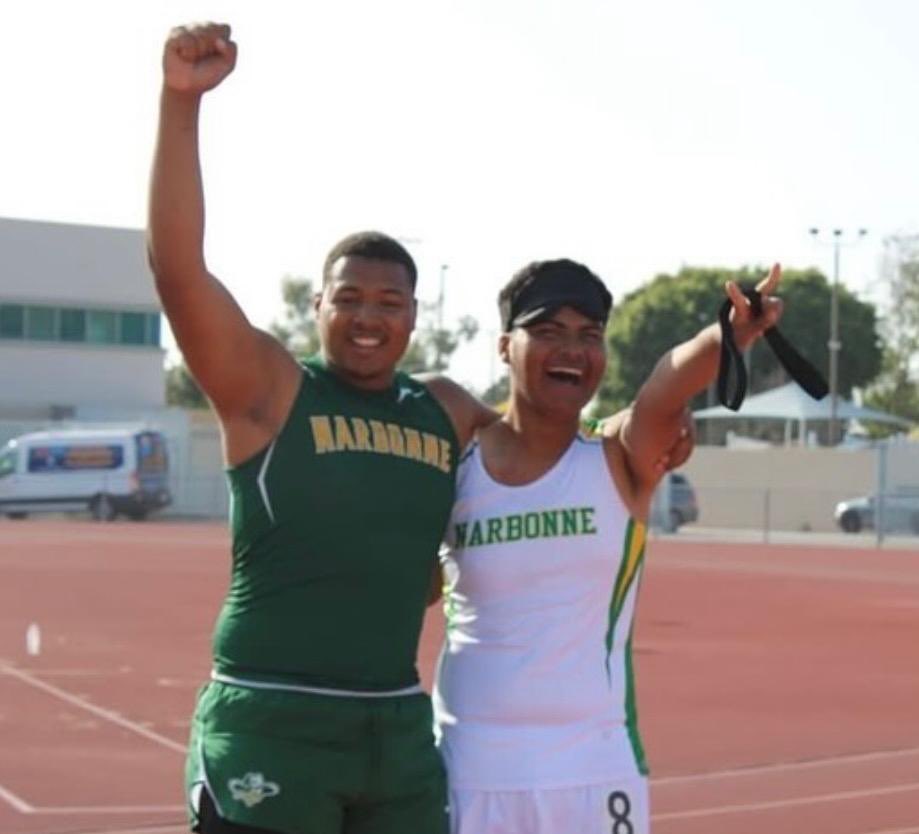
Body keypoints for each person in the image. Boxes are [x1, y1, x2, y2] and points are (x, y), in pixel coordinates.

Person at [148, 22, 693, 834]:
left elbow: (549, 426)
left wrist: (632, 432)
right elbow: (178, 267)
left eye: (390, 303)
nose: (369, 319)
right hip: (273, 713)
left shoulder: (440, 411)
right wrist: (180, 104)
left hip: (397, 729)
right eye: (349, 300)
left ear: (414, 317)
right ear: (316, 307)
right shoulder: (268, 391)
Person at [433, 258, 783, 834]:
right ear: (503, 346)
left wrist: (724, 335)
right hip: (468, 770)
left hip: (593, 771)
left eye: (588, 335)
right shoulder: (456, 461)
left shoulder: (619, 456)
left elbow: (666, 386)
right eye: (548, 332)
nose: (571, 349)